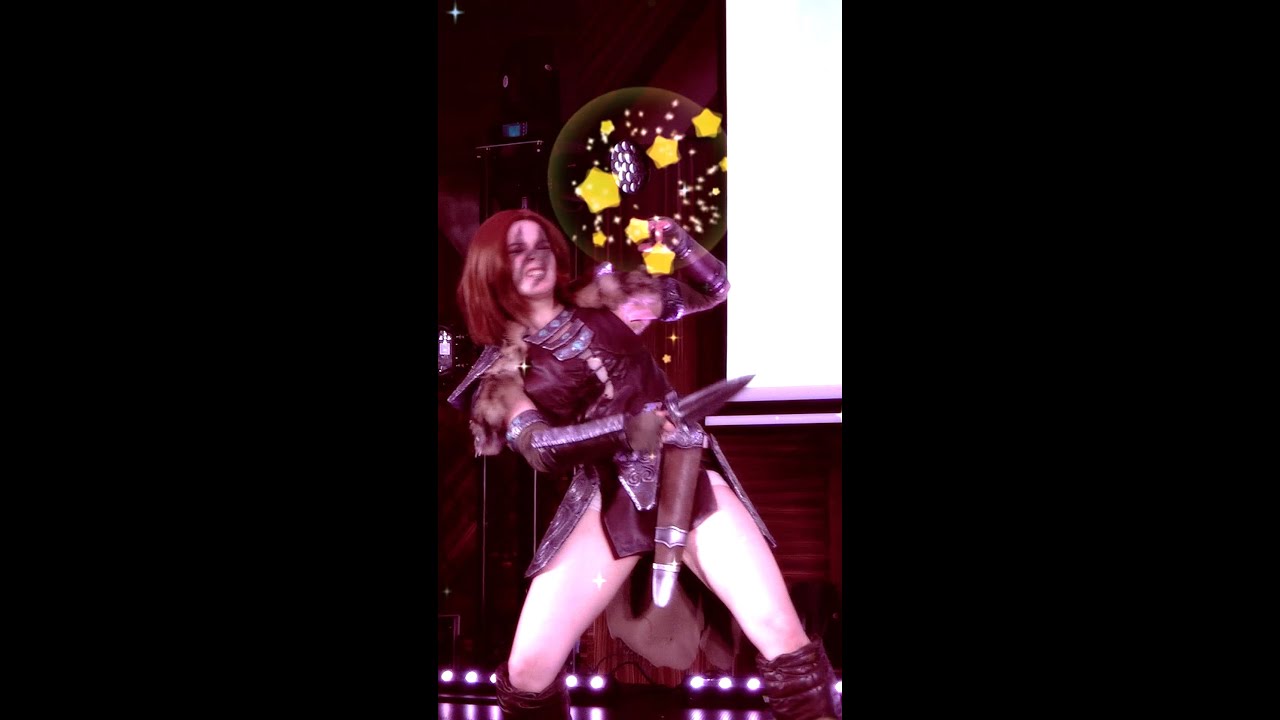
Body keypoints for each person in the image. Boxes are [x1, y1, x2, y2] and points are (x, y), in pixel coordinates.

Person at [448, 209, 840, 719]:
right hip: (606, 496)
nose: (534, 259)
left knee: (783, 637)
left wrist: (680, 245)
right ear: (489, 266)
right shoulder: (501, 374)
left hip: (686, 476)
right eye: (515, 250)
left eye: (541, 245)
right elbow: (541, 448)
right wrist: (626, 428)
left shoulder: (604, 298)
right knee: (527, 672)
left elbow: (712, 289)